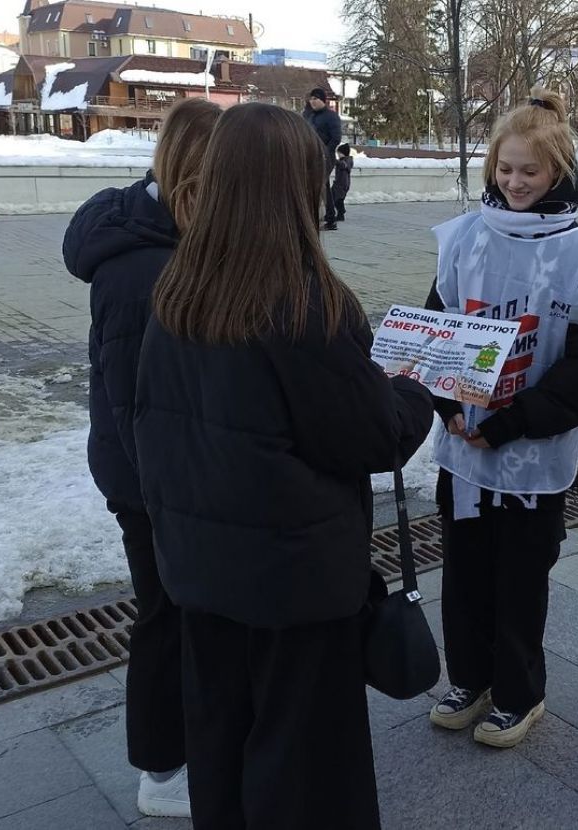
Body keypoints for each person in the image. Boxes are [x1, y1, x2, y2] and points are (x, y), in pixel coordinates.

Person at [133, 102, 434, 830]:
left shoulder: (175, 291)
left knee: (223, 752)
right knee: (306, 774)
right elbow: (373, 437)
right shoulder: (304, 307)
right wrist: (413, 389)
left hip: (202, 577)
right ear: (302, 184)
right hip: (295, 587)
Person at [424, 88, 578, 749]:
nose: (514, 182)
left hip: (532, 453)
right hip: (463, 448)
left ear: (559, 174)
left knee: (518, 580)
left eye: (530, 171)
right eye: (505, 169)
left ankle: (519, 692)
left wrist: (511, 421)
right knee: (463, 574)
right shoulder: (463, 239)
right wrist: (445, 403)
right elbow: (435, 327)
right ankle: (469, 677)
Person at [62, 96, 222, 820]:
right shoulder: (141, 270)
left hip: (163, 476)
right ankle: (161, 772)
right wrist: (173, 498)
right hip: (150, 486)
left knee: (182, 612)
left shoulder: (160, 237)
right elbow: (134, 406)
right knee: (165, 616)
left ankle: (186, 748)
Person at [302, 86, 341, 230]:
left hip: (326, 157)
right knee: (318, 186)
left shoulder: (331, 116)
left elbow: (336, 138)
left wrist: (324, 151)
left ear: (323, 100)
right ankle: (325, 216)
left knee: (321, 185)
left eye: (315, 99)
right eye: (311, 99)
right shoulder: (308, 115)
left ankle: (330, 220)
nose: (312, 101)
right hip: (310, 155)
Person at [333, 142, 354, 221]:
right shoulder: (343, 160)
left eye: (339, 153)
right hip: (338, 183)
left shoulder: (347, 161)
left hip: (342, 184)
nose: (338, 155)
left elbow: (343, 165)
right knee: (335, 199)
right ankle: (338, 213)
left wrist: (334, 160)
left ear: (343, 153)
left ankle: (341, 213)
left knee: (338, 200)